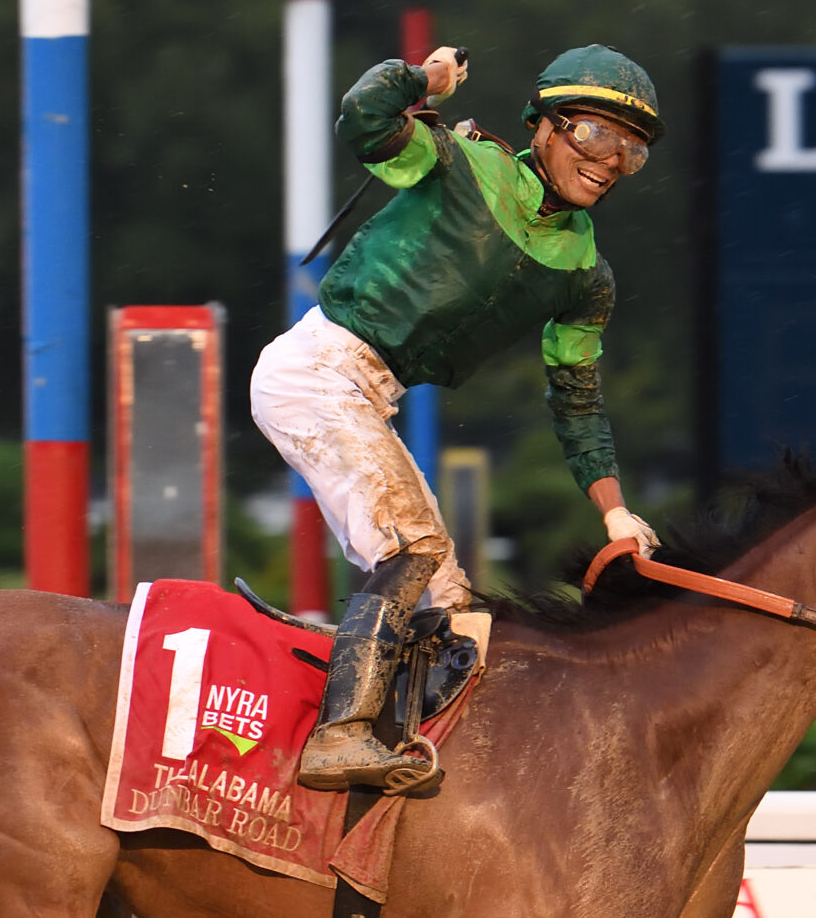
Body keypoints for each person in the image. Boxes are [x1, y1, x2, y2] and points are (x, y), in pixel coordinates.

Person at [253, 43, 665, 792]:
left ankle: (402, 759)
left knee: (452, 603)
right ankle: (337, 736)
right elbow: (363, 119)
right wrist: (422, 79)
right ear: (543, 123)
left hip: (370, 395)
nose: (610, 161)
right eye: (594, 134)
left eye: (631, 151)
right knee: (410, 548)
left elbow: (577, 398)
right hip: (315, 370)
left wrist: (615, 513)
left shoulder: (585, 275)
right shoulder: (458, 163)